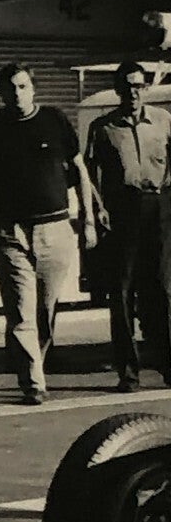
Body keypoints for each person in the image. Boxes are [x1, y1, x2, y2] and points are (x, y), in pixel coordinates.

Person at [0, 62, 99, 405]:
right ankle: (33, 383)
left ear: (33, 89)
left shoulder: (54, 120)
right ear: (0, 92)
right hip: (10, 231)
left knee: (45, 308)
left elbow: (80, 170)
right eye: (10, 88)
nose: (17, 93)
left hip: (55, 227)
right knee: (20, 311)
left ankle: (35, 363)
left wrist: (87, 220)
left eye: (23, 86)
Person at [84, 61, 171, 390]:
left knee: (161, 289)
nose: (132, 93)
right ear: (118, 90)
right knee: (121, 291)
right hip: (121, 211)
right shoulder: (102, 127)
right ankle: (128, 372)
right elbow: (89, 174)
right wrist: (97, 209)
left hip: (158, 207)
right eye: (126, 87)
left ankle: (167, 363)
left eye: (138, 86)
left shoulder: (163, 120)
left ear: (145, 88)